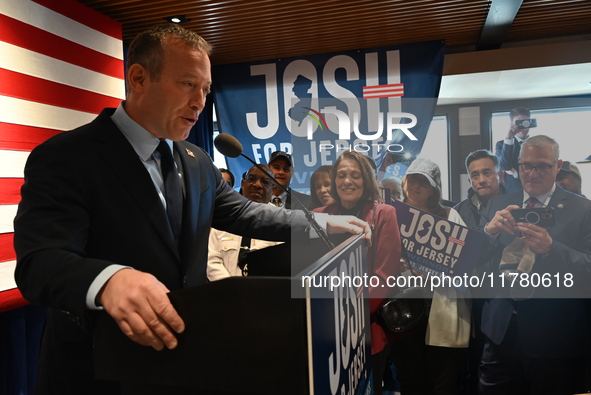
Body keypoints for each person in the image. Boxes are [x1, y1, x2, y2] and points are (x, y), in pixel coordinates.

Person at [13, 24, 371, 394]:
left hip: (185, 363)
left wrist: (321, 222)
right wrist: (108, 280)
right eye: (187, 84)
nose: (200, 101)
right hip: (99, 371)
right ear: (138, 78)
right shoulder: (68, 157)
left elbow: (248, 214)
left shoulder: (196, 161)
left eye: (205, 89)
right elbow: (40, 260)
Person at [479, 135, 591, 394]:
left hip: (556, 338)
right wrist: (489, 231)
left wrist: (553, 249)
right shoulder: (497, 205)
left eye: (542, 166)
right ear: (518, 164)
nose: (532, 173)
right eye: (525, 165)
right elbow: (474, 258)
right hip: (500, 333)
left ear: (558, 165)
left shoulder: (582, 210)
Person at [313, 151, 402, 395]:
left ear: (367, 180)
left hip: (365, 332)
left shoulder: (384, 213)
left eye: (355, 175)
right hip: (324, 333)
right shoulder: (319, 215)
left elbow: (384, 277)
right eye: (341, 175)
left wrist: (348, 317)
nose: (347, 181)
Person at [389, 157, 470, 395]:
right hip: (403, 308)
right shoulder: (391, 213)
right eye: (412, 179)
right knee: (409, 381)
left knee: (443, 384)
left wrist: (436, 271)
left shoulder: (449, 215)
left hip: (441, 307)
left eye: (422, 181)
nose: (415, 186)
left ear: (434, 186)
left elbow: (466, 263)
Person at [207, 164, 282, 280]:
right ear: (243, 183)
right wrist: (232, 288)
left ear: (273, 189)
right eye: (251, 179)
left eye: (265, 181)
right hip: (225, 291)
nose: (257, 185)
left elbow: (282, 265)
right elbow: (211, 260)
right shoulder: (224, 216)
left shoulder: (280, 221)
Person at [454, 149, 506, 229]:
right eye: (475, 175)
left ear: (500, 176)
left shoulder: (516, 205)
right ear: (470, 181)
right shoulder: (457, 213)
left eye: (487, 173)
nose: (481, 180)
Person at [495, 107, 533, 193]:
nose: (522, 126)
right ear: (511, 124)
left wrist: (515, 173)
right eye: (518, 123)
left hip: (535, 189)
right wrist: (509, 137)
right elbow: (505, 166)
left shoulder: (538, 144)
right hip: (512, 191)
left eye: (525, 122)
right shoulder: (502, 144)